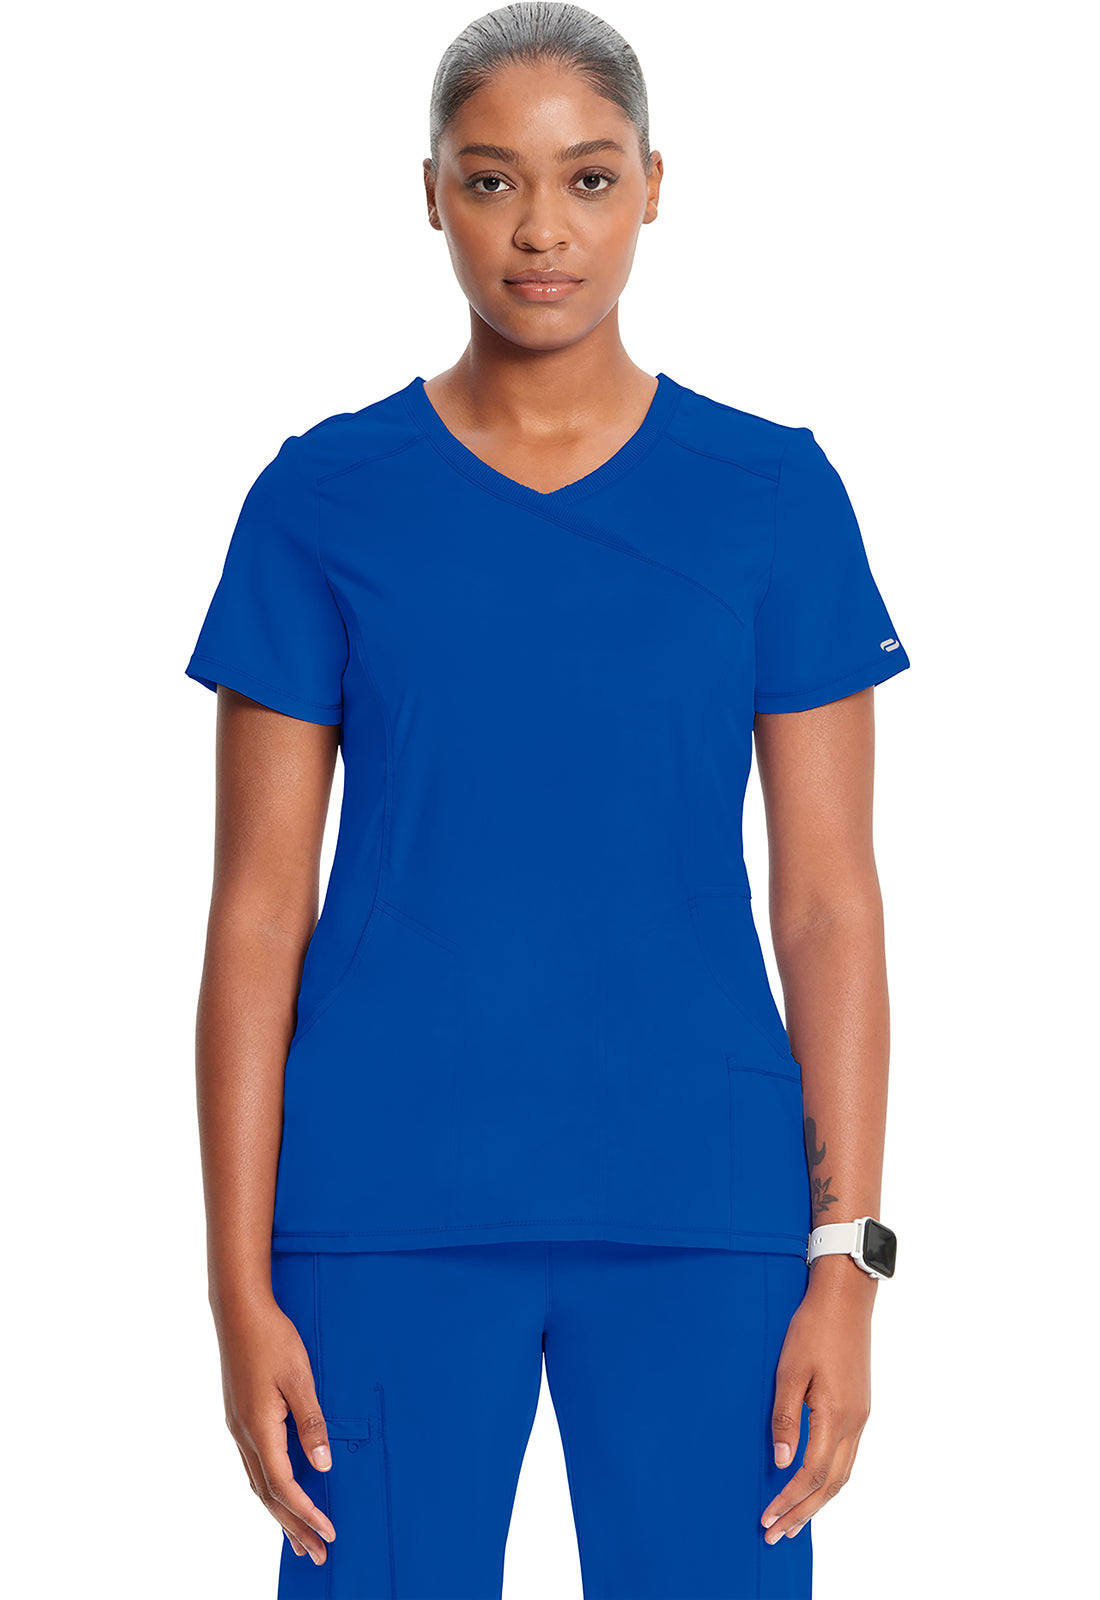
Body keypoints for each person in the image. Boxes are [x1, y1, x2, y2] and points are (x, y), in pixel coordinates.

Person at [184, 5, 911, 1596]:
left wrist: (847, 1264)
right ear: (429, 194)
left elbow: (828, 904)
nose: (540, 230)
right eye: (491, 179)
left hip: (704, 1210)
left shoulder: (772, 498)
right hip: (380, 1206)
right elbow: (256, 913)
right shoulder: (322, 499)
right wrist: (237, 1288)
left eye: (586, 178)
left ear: (653, 185)